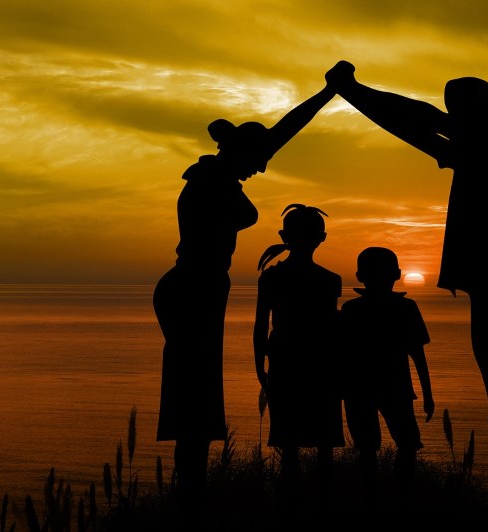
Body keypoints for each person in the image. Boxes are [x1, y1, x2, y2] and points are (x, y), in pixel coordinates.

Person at [326, 61, 488, 517]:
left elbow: (418, 125)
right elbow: (423, 117)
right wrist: (355, 92)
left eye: (458, 109)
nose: (451, 117)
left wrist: (353, 92)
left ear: (479, 110)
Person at [152, 83, 335, 525]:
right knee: (192, 400)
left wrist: (327, 93)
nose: (262, 168)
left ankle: (191, 497)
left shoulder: (215, 175)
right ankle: (190, 503)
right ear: (241, 153)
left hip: (199, 286)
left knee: (195, 396)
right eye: (259, 161)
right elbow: (254, 178)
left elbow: (279, 133)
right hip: (194, 287)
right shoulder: (214, 181)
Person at [253, 204, 344, 514]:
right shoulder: (330, 280)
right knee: (323, 447)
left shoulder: (272, 278)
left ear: (283, 236)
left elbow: (260, 326)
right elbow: (333, 328)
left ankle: (288, 508)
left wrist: (259, 367)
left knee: (289, 446)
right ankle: (323, 507)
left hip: (286, 363)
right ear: (323, 237)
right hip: (321, 365)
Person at [339, 246, 435, 508]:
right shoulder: (403, 308)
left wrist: (427, 394)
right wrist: (427, 394)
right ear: (398, 274)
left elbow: (341, 355)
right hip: (387, 388)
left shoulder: (353, 310)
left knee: (379, 448)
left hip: (366, 389)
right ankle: (397, 499)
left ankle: (381, 498)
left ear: (359, 276)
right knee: (399, 446)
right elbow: (418, 355)